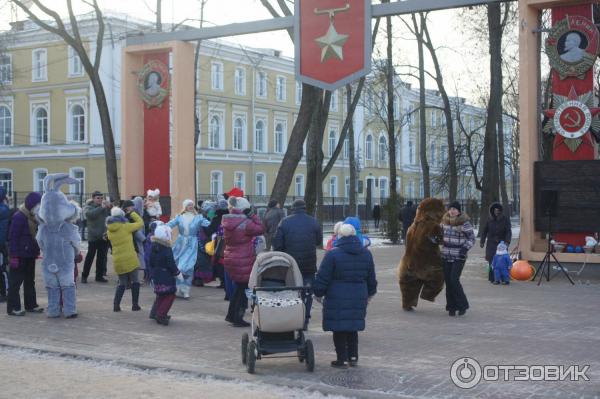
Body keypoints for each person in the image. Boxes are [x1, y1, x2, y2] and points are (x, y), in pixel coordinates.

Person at [313, 223, 377, 368]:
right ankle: (353, 356)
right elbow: (371, 277)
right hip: (359, 295)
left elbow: (324, 277)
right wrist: (370, 293)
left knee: (339, 327)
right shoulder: (366, 253)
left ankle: (342, 358)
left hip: (337, 295)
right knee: (352, 326)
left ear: (339, 236)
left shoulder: (333, 254)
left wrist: (318, 292)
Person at [273, 199, 323, 329]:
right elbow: (318, 241)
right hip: (309, 265)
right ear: (305, 208)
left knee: (290, 291)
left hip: (290, 265)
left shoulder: (285, 222)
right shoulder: (314, 221)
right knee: (307, 292)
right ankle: (305, 319)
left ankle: (291, 318)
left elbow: (277, 244)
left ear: (293, 208)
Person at [222, 196, 264, 327]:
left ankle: (231, 315)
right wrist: (253, 215)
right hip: (243, 257)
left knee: (238, 288)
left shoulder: (227, 220)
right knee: (242, 289)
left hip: (230, 256)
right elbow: (261, 228)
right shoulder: (246, 223)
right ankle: (237, 317)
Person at [6, 192, 43, 316]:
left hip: (30, 254)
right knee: (15, 282)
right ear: (32, 204)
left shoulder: (34, 217)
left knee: (29, 281)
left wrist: (36, 250)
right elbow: (13, 237)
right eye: (38, 204)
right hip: (19, 255)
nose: (40, 206)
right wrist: (14, 256)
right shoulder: (19, 216)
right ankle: (13, 308)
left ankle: (31, 305)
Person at [167, 199, 210, 298]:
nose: (190, 206)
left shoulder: (198, 217)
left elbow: (209, 225)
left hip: (192, 244)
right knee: (178, 266)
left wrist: (215, 218)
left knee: (188, 267)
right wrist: (160, 227)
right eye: (188, 205)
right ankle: (179, 287)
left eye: (192, 205)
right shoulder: (179, 217)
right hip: (180, 244)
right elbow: (169, 225)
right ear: (185, 206)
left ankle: (185, 289)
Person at [106, 207, 144, 312]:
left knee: (122, 283)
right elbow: (140, 223)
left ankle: (116, 305)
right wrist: (132, 213)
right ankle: (135, 305)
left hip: (118, 260)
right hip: (130, 258)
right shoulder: (126, 227)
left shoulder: (109, 231)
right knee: (135, 281)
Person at [441, 201, 475, 317]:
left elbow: (471, 239)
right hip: (445, 255)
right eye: (450, 209)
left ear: (459, 211)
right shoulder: (444, 222)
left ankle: (462, 305)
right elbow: (441, 236)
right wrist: (436, 239)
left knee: (454, 280)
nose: (452, 211)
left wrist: (464, 250)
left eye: (454, 209)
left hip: (458, 256)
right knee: (448, 282)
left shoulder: (464, 223)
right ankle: (451, 307)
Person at [148, 225, 180, 325]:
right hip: (166, 275)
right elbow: (171, 263)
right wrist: (177, 273)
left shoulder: (153, 246)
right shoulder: (166, 248)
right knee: (169, 295)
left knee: (161, 295)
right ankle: (161, 315)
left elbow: (151, 261)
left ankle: (156, 313)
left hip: (157, 273)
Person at [82, 191, 111, 283]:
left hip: (103, 237)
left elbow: (111, 217)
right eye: (98, 198)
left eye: (101, 198)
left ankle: (99, 276)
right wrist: (101, 208)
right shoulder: (88, 207)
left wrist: (110, 207)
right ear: (93, 199)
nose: (100, 200)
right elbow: (90, 215)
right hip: (93, 237)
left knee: (101, 258)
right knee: (90, 257)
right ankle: (84, 276)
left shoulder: (104, 208)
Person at [480, 203, 512, 283]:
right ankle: (493, 278)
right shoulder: (489, 219)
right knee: (492, 260)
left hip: (502, 243)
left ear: (501, 211)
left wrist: (507, 241)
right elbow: (484, 231)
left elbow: (508, 231)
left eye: (498, 210)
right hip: (491, 243)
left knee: (502, 260)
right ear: (492, 211)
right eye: (495, 210)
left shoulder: (505, 219)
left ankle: (504, 278)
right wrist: (482, 241)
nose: (496, 212)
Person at [0, 187, 9, 303]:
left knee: (2, 268)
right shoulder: (5, 208)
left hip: (1, 244)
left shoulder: (3, 209)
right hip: (2, 243)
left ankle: (4, 292)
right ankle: (4, 292)